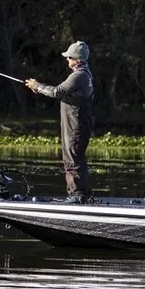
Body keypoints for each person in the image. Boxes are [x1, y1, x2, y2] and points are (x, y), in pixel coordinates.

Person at [25, 41, 95, 204]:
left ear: (77, 59)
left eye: (69, 57)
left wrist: (37, 85)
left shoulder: (79, 76)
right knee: (76, 157)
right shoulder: (85, 73)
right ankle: (83, 194)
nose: (67, 60)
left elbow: (57, 92)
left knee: (72, 159)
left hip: (75, 125)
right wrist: (39, 87)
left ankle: (78, 195)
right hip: (77, 123)